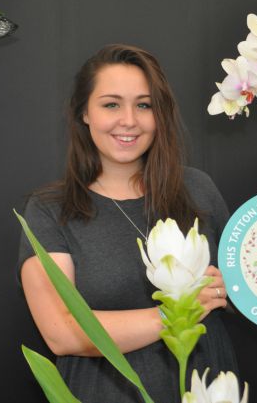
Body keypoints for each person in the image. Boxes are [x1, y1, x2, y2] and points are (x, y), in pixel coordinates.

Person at [18, 44, 238, 403]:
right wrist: (178, 312)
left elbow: (249, 285)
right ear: (84, 113)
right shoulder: (50, 210)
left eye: (144, 105)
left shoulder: (198, 189)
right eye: (111, 104)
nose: (129, 120)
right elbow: (63, 333)